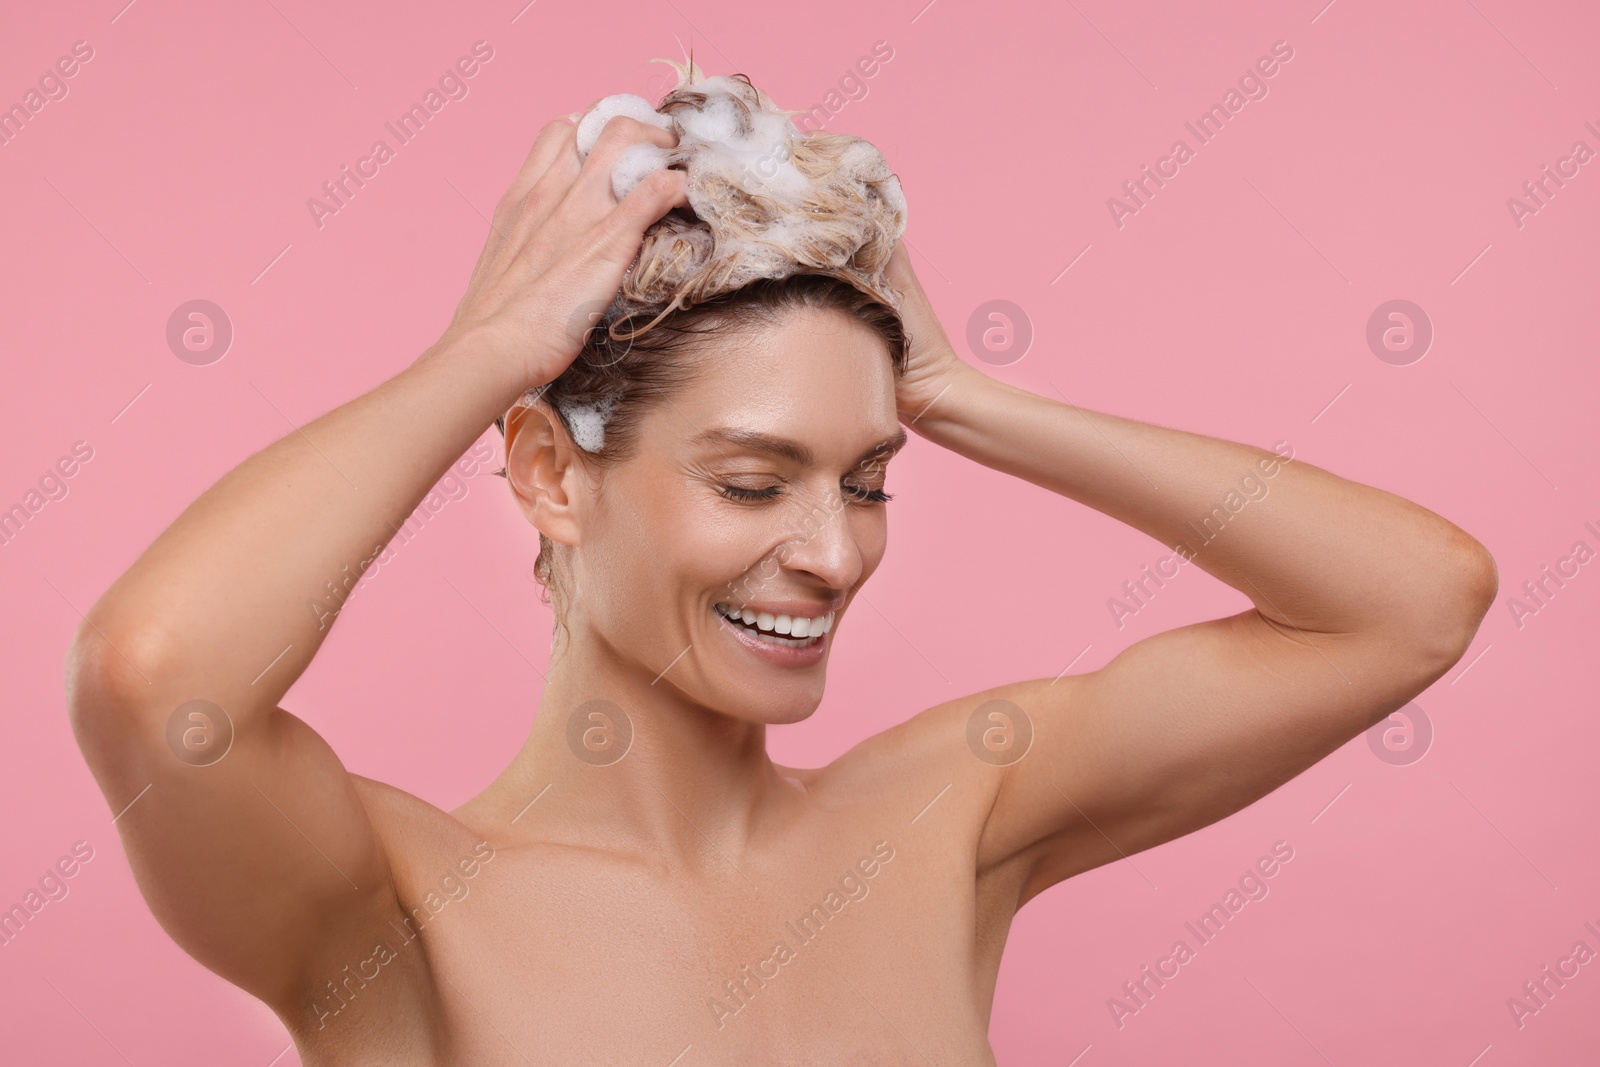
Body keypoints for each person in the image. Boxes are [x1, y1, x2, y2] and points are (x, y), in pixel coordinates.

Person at [65, 68, 1496, 1066]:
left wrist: (960, 394)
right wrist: (484, 356)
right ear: (554, 477)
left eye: (868, 480)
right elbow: (154, 676)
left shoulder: (952, 819)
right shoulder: (386, 909)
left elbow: (1414, 600)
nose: (830, 553)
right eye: (753, 481)